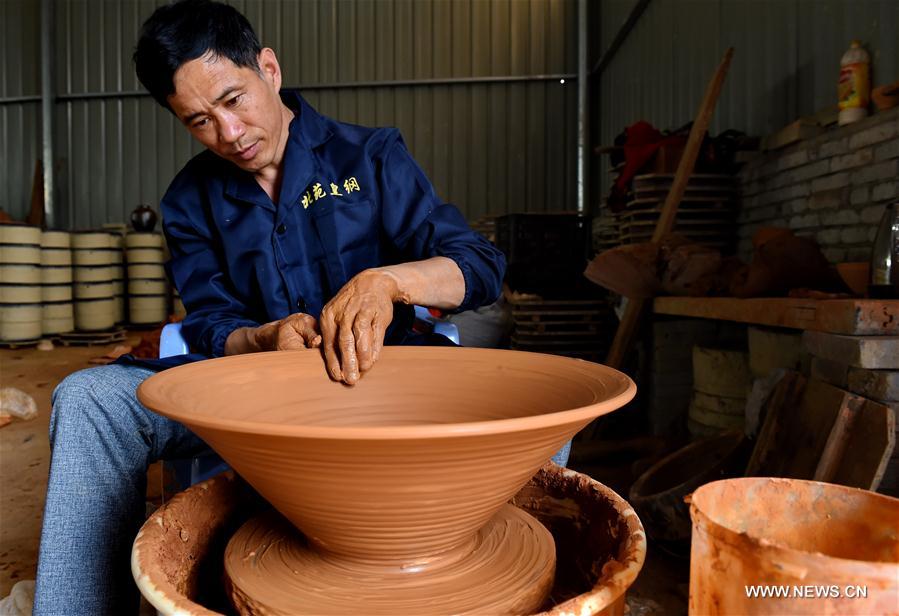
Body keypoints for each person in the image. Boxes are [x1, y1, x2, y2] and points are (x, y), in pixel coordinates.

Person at [33, 1, 505, 613]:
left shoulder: (372, 158)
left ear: (269, 68)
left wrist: (389, 282)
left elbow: (480, 265)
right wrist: (261, 339)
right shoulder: (189, 199)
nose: (228, 134)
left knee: (537, 417)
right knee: (90, 399)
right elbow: (208, 322)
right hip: (248, 396)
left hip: (387, 382)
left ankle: (465, 582)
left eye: (233, 100)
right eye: (198, 121)